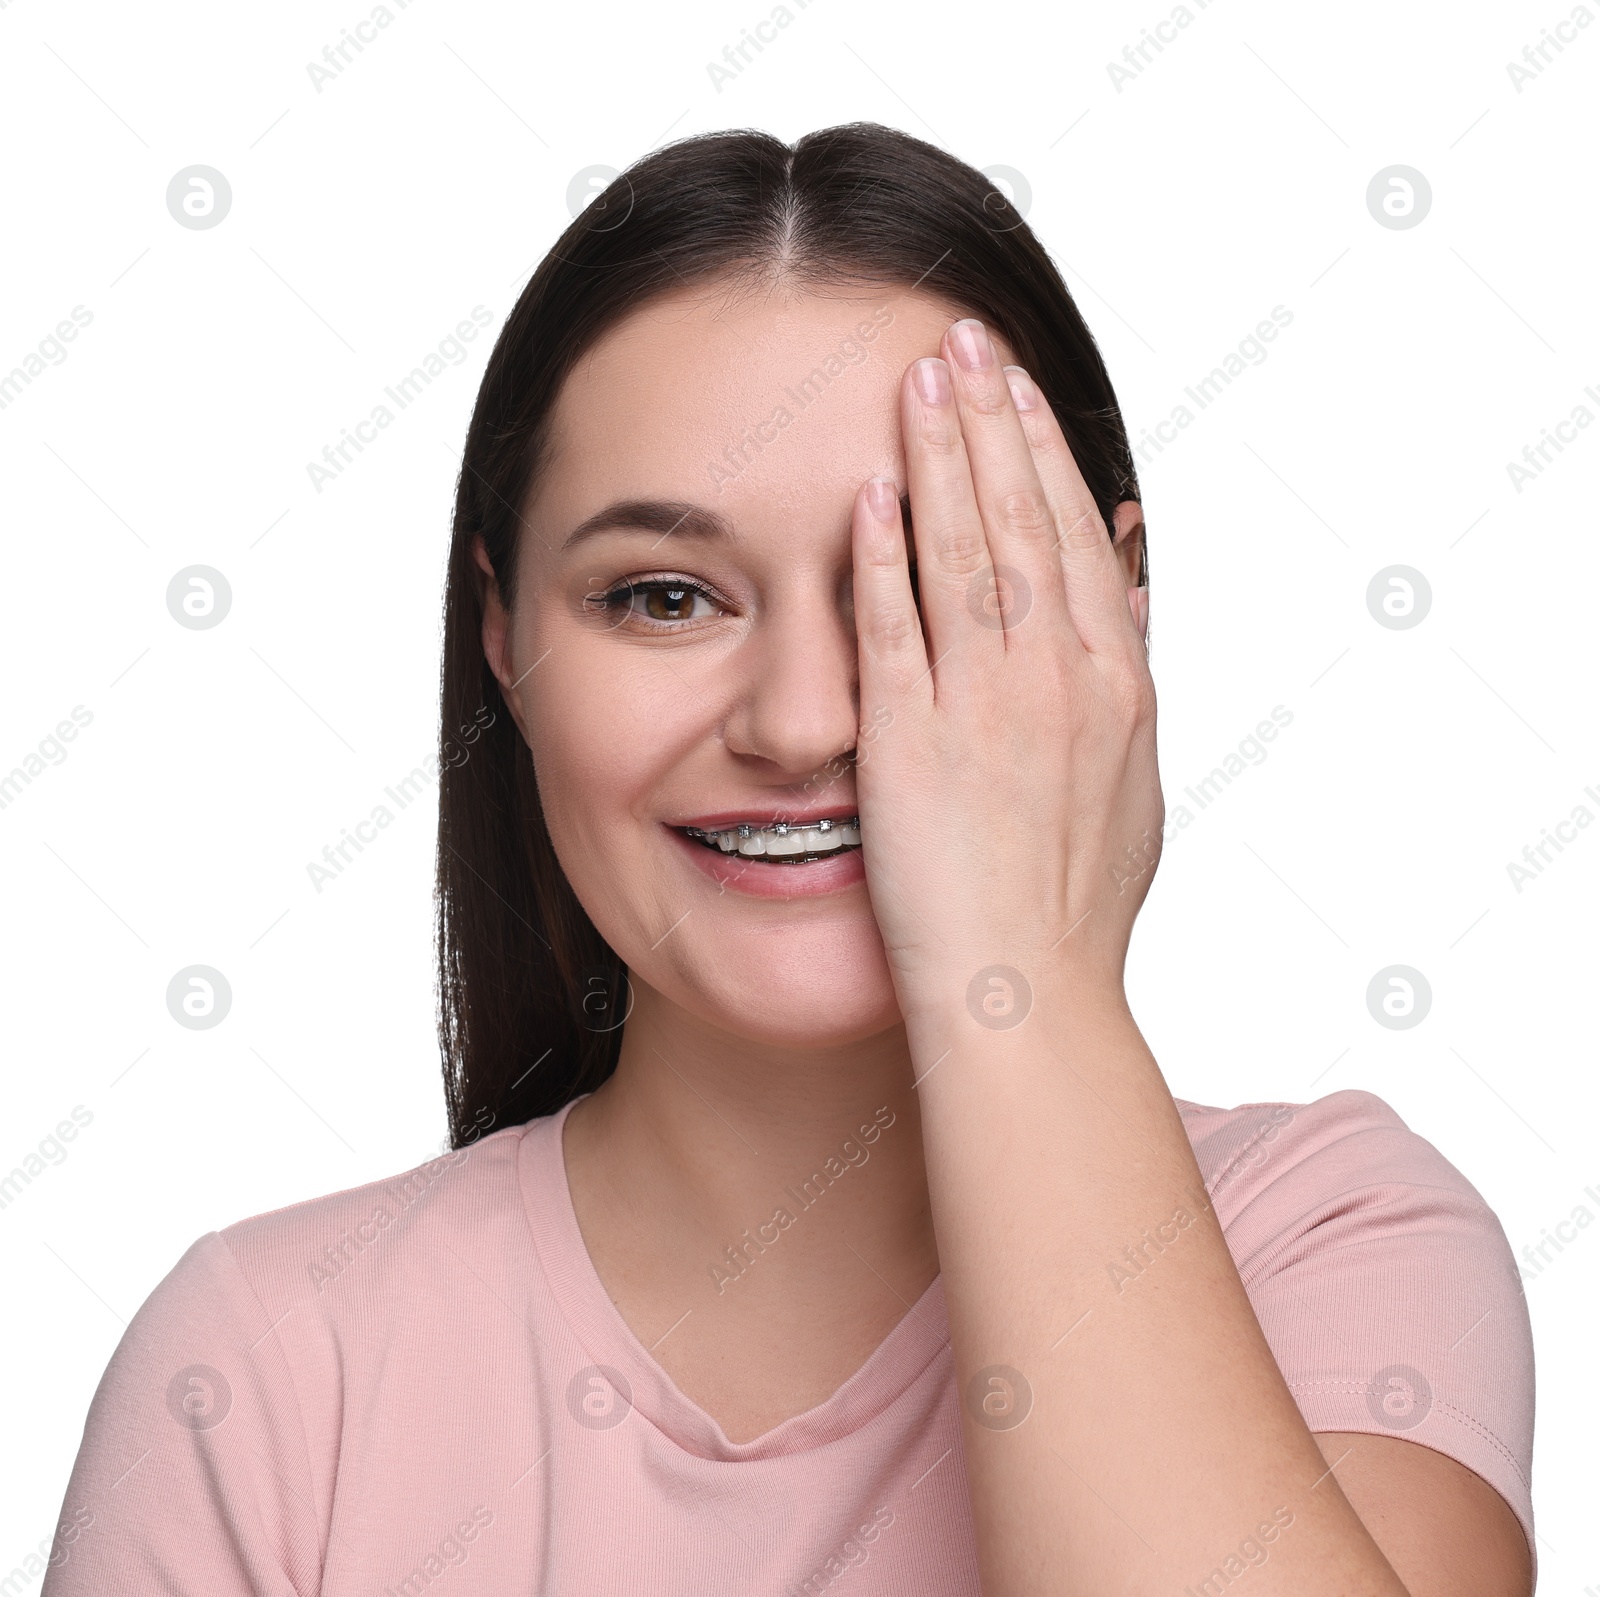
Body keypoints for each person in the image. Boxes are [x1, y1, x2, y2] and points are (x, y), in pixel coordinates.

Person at [40, 124, 1534, 1597]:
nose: (807, 719)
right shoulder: (257, 1368)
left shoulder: (1336, 1238)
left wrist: (1025, 974)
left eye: (934, 581)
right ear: (504, 632)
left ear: (1115, 608)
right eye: (666, 595)